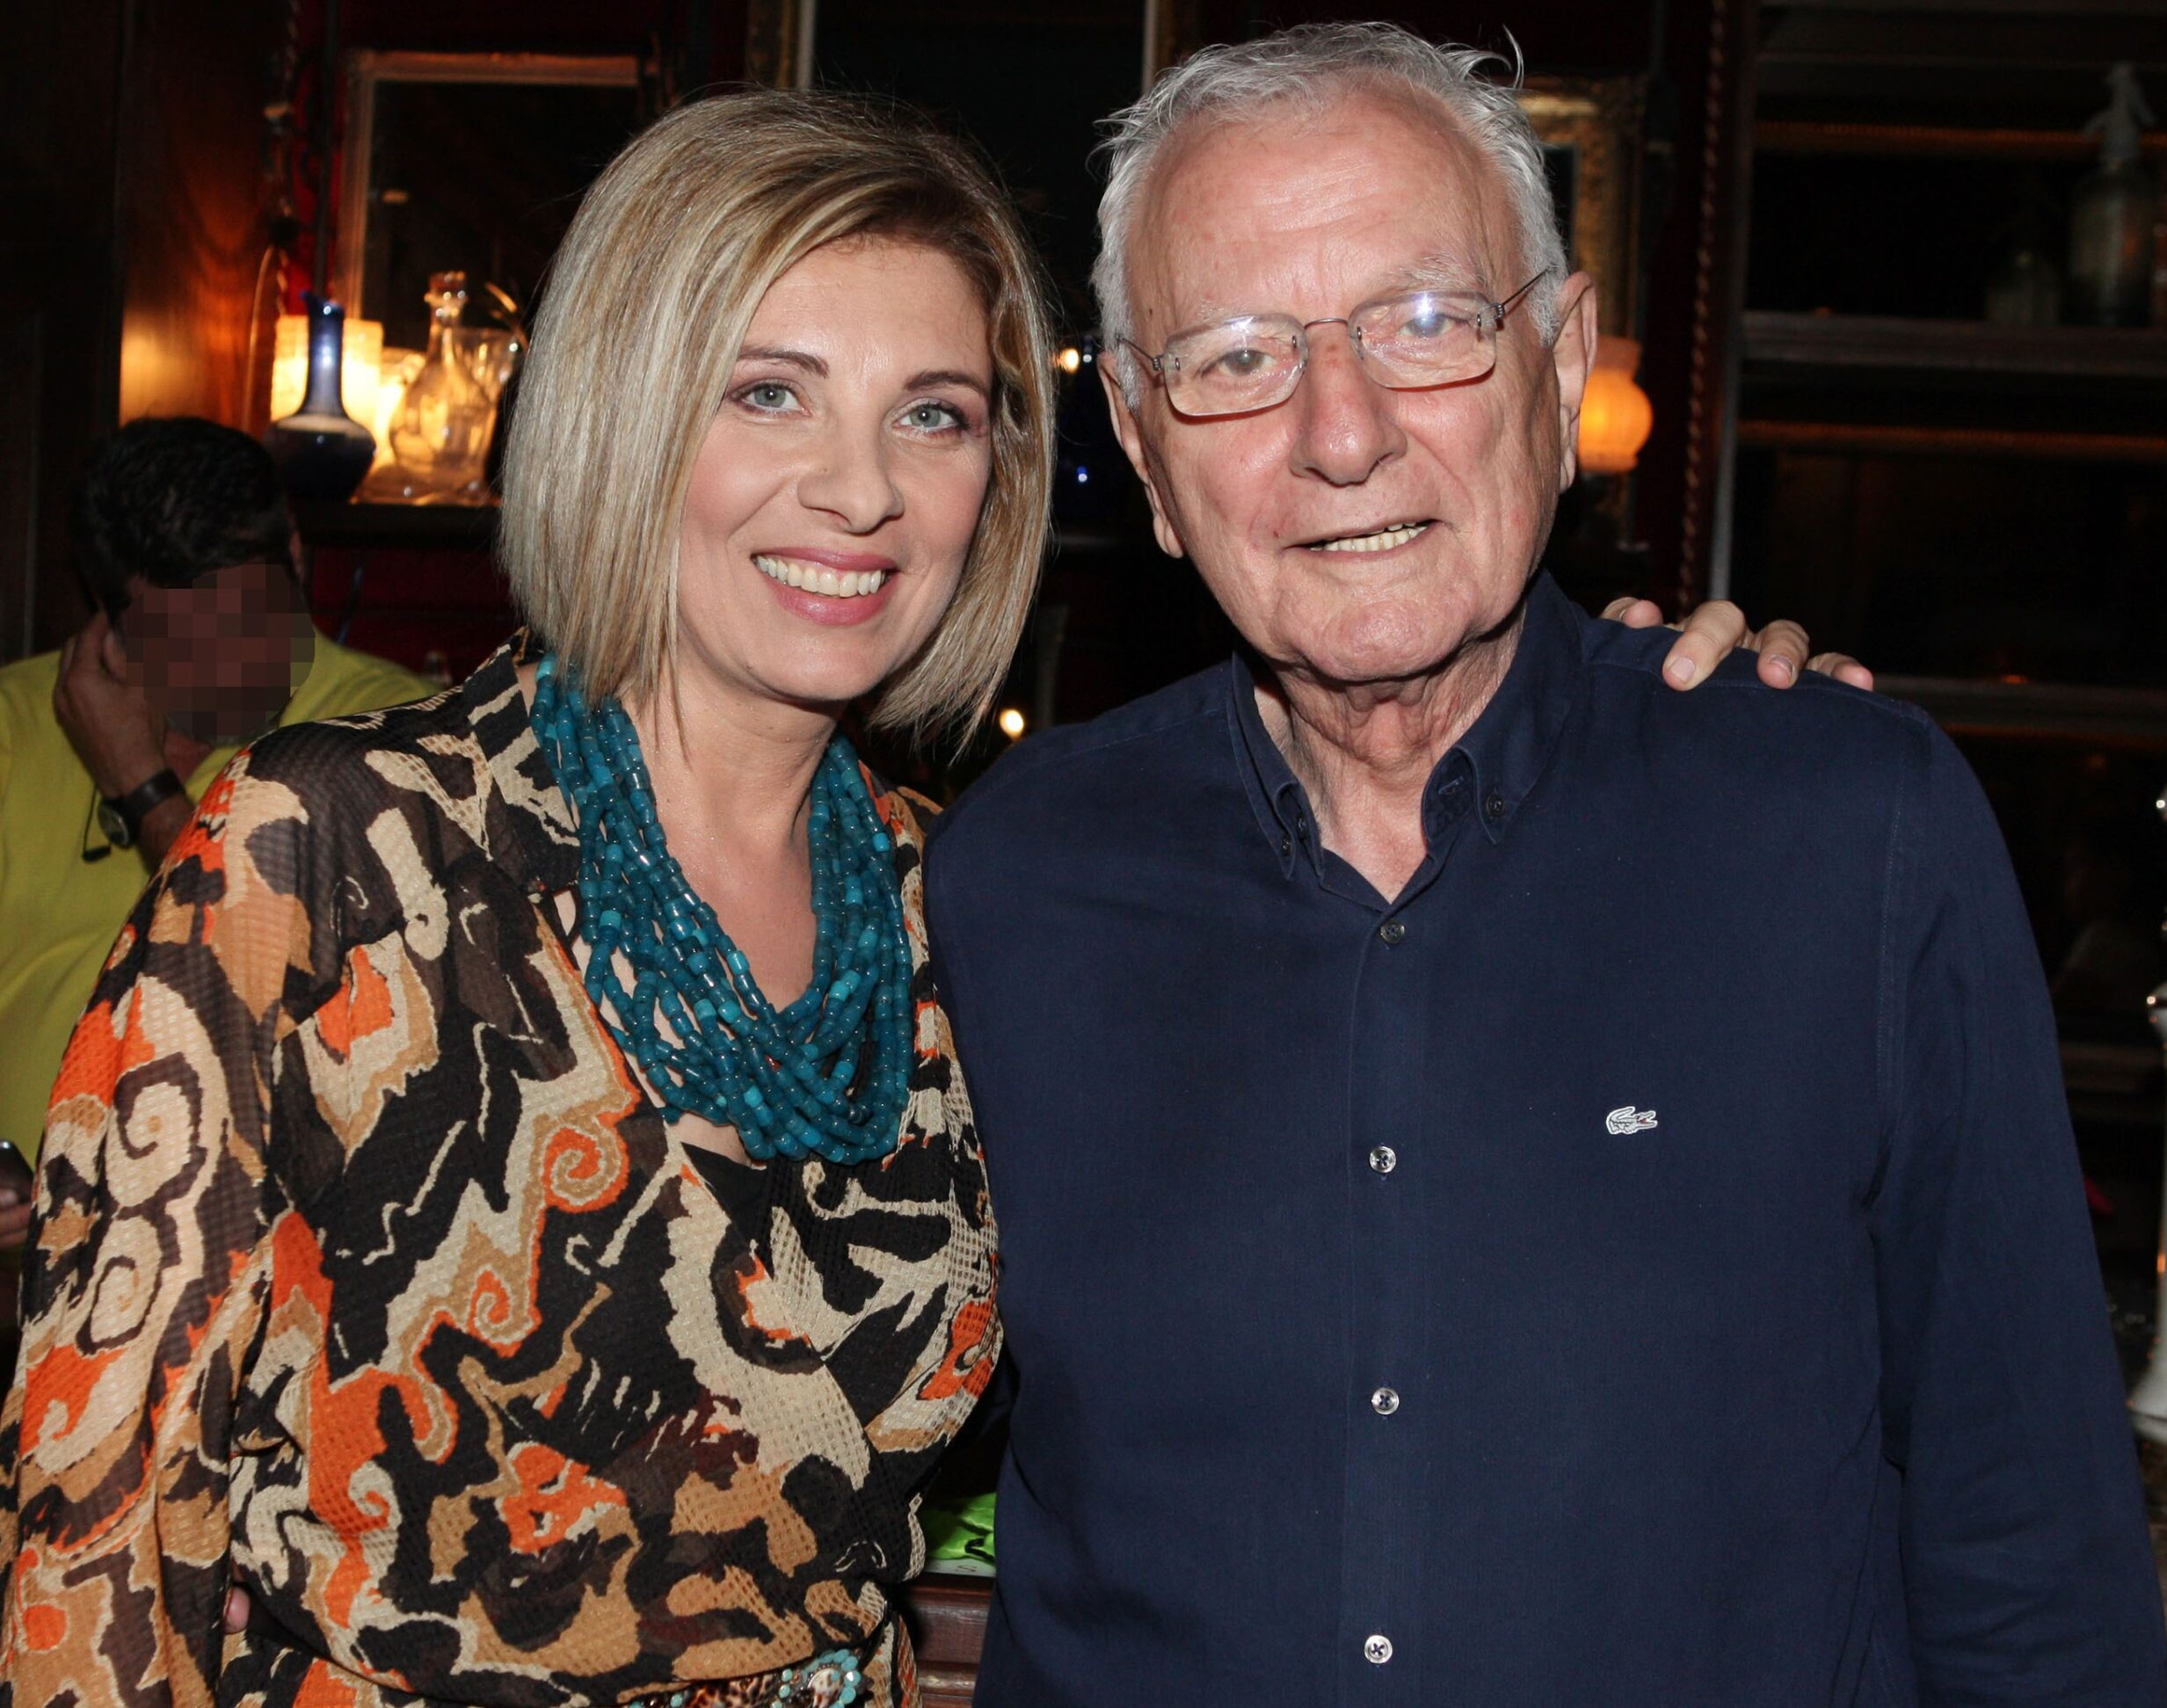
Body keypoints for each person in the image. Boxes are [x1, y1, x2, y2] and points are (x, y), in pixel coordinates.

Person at [0, 82, 1834, 1708]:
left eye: (934, 414)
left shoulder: (970, 892)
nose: (861, 490)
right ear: (626, 412)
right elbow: (87, 1534)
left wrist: (1644, 716)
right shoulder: (332, 847)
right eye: (769, 392)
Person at [922, 25, 2167, 1705]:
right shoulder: (1008, 884)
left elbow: (2034, 1560)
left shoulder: (1848, 834)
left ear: (1564, 362)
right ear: (1147, 455)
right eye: (1238, 356)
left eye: (1427, 322)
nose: (1343, 433)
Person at [0, 418, 432, 1178]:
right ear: (108, 612)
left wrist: (143, 787)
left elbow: (286, 970)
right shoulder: (14, 720)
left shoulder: (391, 730)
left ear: (293, 554)